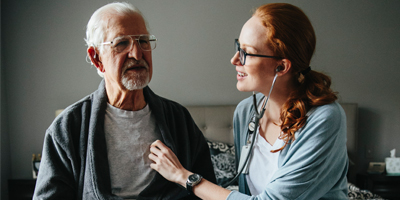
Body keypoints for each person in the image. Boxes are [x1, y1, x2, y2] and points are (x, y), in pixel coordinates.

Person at [149, 3, 348, 199]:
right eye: (238, 47)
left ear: (282, 66)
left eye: (247, 52)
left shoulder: (325, 118)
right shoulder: (245, 112)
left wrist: (183, 176)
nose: (235, 60)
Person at [33, 2, 215, 199]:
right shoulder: (68, 128)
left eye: (143, 41)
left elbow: (207, 189)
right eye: (121, 43)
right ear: (97, 58)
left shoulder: (179, 119)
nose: (137, 54)